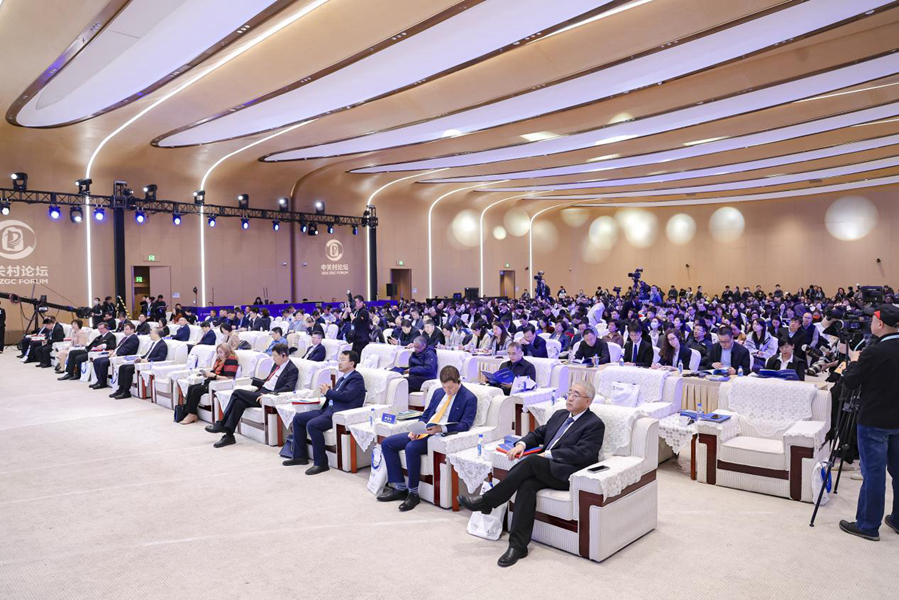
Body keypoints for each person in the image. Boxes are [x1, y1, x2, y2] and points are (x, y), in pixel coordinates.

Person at [458, 381, 604, 567]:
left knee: (533, 461)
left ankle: (488, 501)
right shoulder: (560, 415)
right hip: (547, 469)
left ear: (588, 401)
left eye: (576, 395)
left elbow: (583, 453)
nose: (570, 398)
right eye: (569, 393)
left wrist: (548, 454)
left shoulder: (594, 424)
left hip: (567, 474)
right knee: (527, 485)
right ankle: (518, 546)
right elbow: (539, 433)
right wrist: (522, 444)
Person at [378, 366, 478, 511]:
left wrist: (441, 428)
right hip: (425, 430)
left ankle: (413, 494)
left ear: (458, 381)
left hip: (438, 436)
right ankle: (400, 488)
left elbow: (465, 424)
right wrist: (416, 429)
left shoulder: (469, 398)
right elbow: (426, 415)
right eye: (444, 387)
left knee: (411, 447)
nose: (447, 391)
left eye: (450, 387)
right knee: (387, 443)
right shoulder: (438, 392)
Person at [838, 304, 899, 541]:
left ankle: (867, 525)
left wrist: (854, 360)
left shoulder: (874, 352)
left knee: (873, 474)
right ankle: (897, 519)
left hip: (874, 420)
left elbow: (851, 381)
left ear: (880, 324)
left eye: (872, 319)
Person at [283, 350, 366, 474]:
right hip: (327, 410)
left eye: (343, 359)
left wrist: (328, 392)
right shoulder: (342, 378)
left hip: (338, 414)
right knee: (298, 418)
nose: (339, 362)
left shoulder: (356, 378)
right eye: (339, 359)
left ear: (352, 363)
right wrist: (327, 391)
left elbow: (346, 396)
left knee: (313, 425)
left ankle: (321, 463)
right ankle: (300, 456)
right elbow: (336, 395)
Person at [205, 345, 298, 447]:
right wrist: (255, 380)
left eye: (275, 356)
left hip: (268, 397)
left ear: (283, 355)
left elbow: (289, 387)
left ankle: (222, 423)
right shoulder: (276, 365)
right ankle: (229, 436)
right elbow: (268, 381)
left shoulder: (292, 369)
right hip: (261, 391)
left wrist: (269, 395)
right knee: (239, 403)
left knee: (237, 392)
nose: (273, 358)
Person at [177, 343, 239, 422]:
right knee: (191, 387)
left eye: (221, 352)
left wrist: (214, 376)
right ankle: (188, 413)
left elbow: (229, 378)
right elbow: (214, 372)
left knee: (196, 390)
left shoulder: (231, 361)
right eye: (218, 352)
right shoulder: (220, 361)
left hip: (218, 384)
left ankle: (192, 414)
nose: (219, 355)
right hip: (211, 381)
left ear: (227, 352)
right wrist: (207, 374)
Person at [110, 328, 168, 399]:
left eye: (151, 333)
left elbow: (161, 357)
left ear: (156, 334)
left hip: (149, 364)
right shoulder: (154, 343)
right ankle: (120, 389)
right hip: (143, 362)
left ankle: (126, 392)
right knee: (122, 367)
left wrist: (148, 360)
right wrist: (140, 358)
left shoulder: (162, 345)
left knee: (128, 369)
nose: (150, 334)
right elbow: (148, 354)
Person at [91, 322, 140, 389]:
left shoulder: (133, 338)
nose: (125, 331)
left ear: (132, 330)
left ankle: (102, 383)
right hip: (114, 354)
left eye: (127, 329)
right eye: (124, 329)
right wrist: (113, 351)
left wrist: (116, 354)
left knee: (103, 362)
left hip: (122, 357)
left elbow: (126, 349)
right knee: (96, 361)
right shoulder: (125, 338)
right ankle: (99, 380)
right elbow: (118, 348)